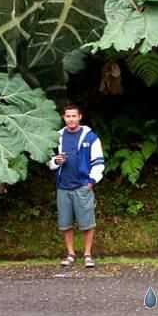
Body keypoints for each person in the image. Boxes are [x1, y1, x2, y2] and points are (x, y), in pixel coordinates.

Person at [48, 105, 104, 268]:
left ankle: (87, 254)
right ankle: (71, 254)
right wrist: (56, 162)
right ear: (64, 118)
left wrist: (91, 181)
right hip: (63, 186)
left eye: (74, 116)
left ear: (80, 117)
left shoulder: (90, 137)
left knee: (87, 222)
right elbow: (49, 160)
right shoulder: (57, 137)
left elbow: (98, 162)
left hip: (82, 186)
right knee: (65, 223)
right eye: (68, 116)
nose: (71, 119)